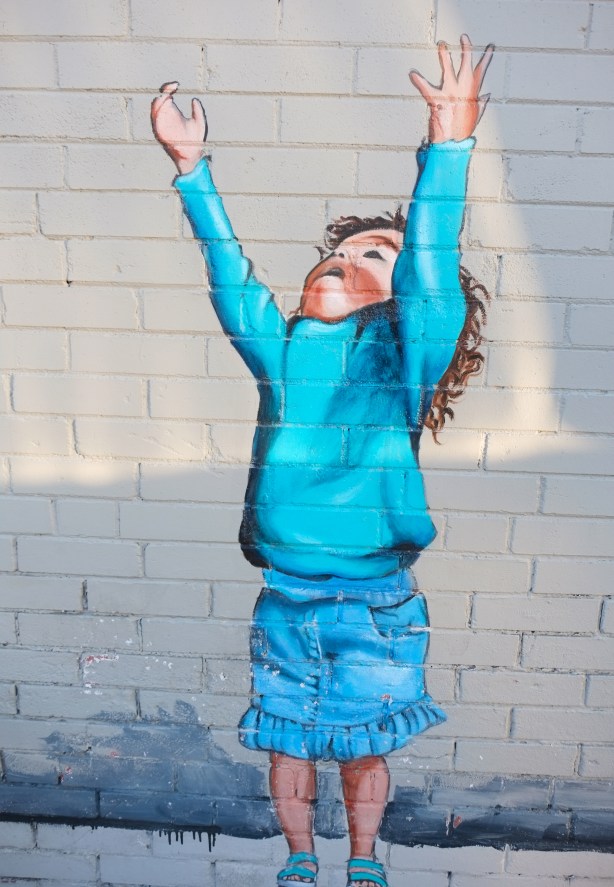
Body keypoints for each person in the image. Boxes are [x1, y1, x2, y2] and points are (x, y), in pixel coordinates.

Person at [151, 34, 494, 887]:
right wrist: (192, 169)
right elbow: (231, 279)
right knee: (287, 736)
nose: (343, 259)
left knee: (364, 743)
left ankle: (365, 861)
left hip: (375, 601)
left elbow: (429, 270)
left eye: (371, 254)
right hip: (287, 597)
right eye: (337, 252)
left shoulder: (403, 358)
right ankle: (302, 860)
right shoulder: (286, 349)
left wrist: (448, 143)